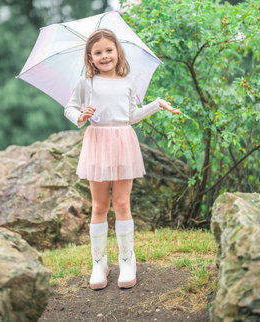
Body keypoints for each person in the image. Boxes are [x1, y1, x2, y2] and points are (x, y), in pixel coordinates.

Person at [64, 28, 180, 291]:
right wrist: (81, 115)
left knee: (122, 202)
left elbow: (131, 115)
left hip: (123, 142)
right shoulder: (86, 83)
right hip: (97, 141)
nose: (104, 56)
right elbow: (69, 108)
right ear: (90, 57)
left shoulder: (128, 82)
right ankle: (99, 263)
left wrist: (156, 104)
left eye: (109, 50)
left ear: (117, 52)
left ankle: (127, 260)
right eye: (98, 52)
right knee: (99, 205)